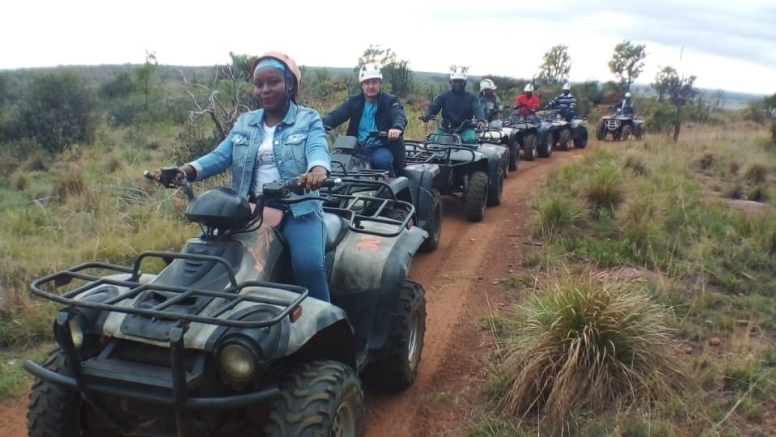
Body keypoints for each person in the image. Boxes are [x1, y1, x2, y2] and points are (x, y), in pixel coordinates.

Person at [148, 51, 333, 303]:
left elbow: (317, 149)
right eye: (259, 84)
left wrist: (317, 172)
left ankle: (327, 323)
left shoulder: (307, 118)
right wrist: (185, 171)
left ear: (290, 85)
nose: (265, 89)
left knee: (308, 266)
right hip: (249, 208)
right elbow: (219, 156)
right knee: (208, 255)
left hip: (298, 209)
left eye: (273, 82)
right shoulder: (246, 122)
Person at [321, 63, 407, 178]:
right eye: (367, 83)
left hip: (382, 147)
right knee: (337, 163)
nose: (370, 86)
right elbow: (336, 116)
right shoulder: (354, 102)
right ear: (361, 85)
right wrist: (316, 124)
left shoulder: (390, 101)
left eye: (374, 82)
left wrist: (397, 128)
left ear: (380, 83)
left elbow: (398, 114)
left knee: (382, 161)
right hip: (357, 148)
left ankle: (391, 192)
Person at [420, 67, 487, 145]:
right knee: (431, 141)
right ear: (451, 82)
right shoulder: (444, 96)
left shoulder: (472, 97)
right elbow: (433, 107)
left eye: (460, 81)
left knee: (470, 141)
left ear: (464, 83)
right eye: (455, 81)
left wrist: (481, 120)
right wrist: (427, 115)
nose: (457, 83)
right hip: (446, 128)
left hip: (464, 129)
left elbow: (477, 108)